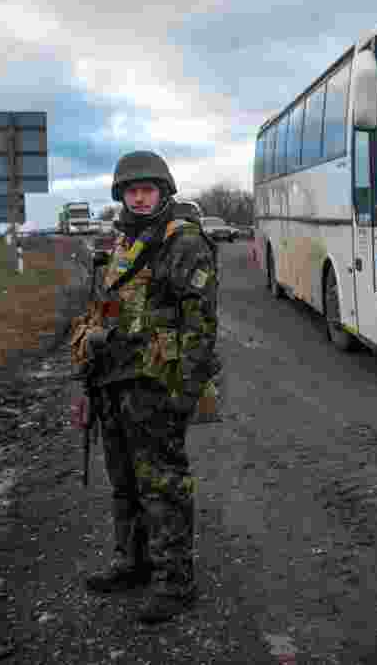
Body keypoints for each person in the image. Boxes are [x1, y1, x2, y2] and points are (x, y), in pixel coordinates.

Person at [69, 150, 220, 623]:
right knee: (124, 482)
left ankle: (175, 582)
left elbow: (201, 322)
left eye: (147, 189)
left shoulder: (183, 242)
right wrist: (88, 367)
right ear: (121, 195)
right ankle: (132, 563)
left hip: (157, 383)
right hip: (114, 381)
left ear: (163, 191)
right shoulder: (122, 241)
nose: (138, 196)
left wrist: (187, 389)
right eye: (131, 190)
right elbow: (108, 308)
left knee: (163, 484)